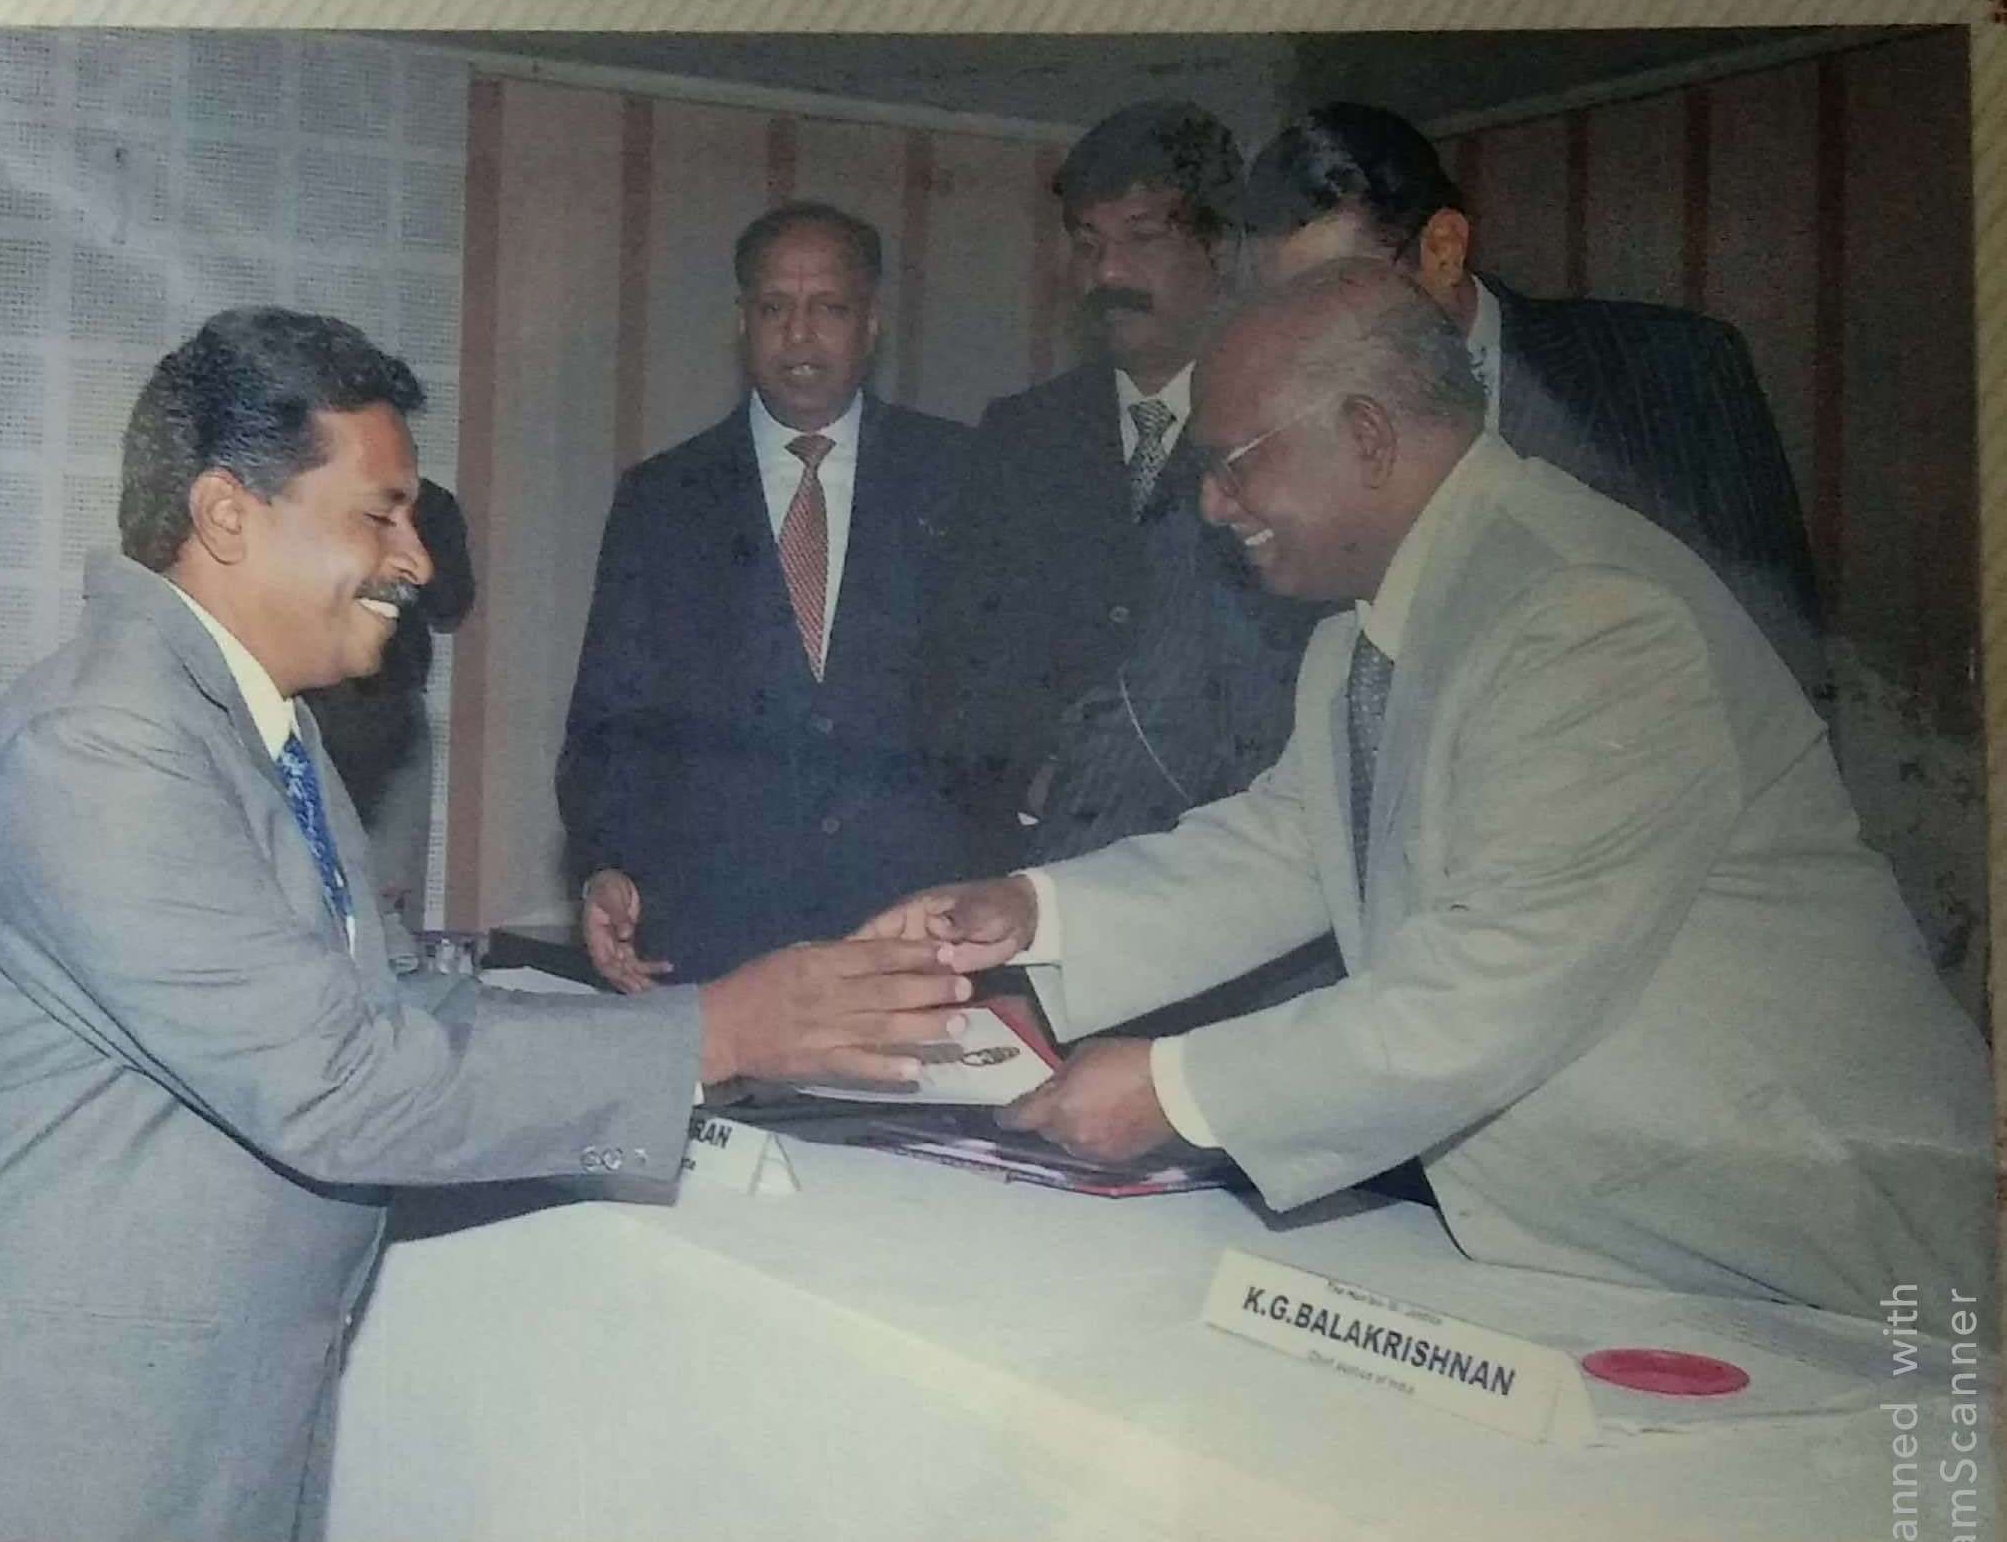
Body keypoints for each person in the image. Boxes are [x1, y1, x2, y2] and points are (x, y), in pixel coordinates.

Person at [0, 307, 973, 1542]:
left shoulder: (253, 728)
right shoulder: (103, 746)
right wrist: (721, 1029)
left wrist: (677, 1032)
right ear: (226, 514)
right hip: (30, 1447)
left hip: (172, 1423)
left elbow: (380, 1010)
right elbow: (336, 1083)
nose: (418, 560)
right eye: (380, 512)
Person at [865, 262, 1990, 1320]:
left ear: (1364, 434)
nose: (1212, 504)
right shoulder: (1373, 623)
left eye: (1235, 460)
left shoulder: (1586, 610)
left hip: (1830, 1262)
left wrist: (1176, 1089)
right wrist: (1032, 910)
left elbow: (1488, 982)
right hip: (1619, 1244)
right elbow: (1293, 845)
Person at [1240, 100, 1827, 699]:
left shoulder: (1674, 369)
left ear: (1443, 248)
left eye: (1339, 292)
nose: (1312, 340)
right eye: (1289, 308)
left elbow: (1781, 650)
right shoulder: (1288, 442)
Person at [557, 201, 971, 990]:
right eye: (775, 308)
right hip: (714, 935)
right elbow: (610, 719)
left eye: (830, 308)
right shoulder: (664, 496)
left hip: (913, 934)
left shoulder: (963, 478)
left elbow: (1002, 718)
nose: (801, 334)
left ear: (872, 324)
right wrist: (604, 865)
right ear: (741, 322)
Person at [928, 99, 1321, 874]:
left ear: (1220, 247)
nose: (1108, 273)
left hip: (1234, 868)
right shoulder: (1018, 434)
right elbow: (960, 662)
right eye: (1088, 243)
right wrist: (1021, 781)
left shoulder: (1288, 431)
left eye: (1143, 239)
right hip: (1041, 862)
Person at [304, 473, 473, 934]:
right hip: (309, 710)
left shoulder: (431, 505)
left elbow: (452, 604)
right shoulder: (304, 487)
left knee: (388, 903)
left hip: (393, 714)